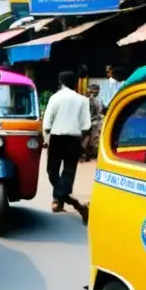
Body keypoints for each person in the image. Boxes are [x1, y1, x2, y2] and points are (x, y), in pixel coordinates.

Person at [43, 70, 91, 223]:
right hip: (74, 140)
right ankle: (69, 202)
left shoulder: (54, 98)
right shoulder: (83, 100)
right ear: (76, 83)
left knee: (52, 171)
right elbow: (86, 125)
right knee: (69, 172)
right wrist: (83, 143)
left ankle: (60, 200)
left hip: (56, 138)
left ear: (61, 82)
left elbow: (47, 122)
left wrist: (46, 139)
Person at [85, 83, 103, 161]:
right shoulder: (89, 100)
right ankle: (89, 154)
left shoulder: (98, 100)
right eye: (96, 90)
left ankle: (93, 154)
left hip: (97, 121)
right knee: (91, 139)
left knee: (95, 139)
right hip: (91, 122)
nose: (97, 92)